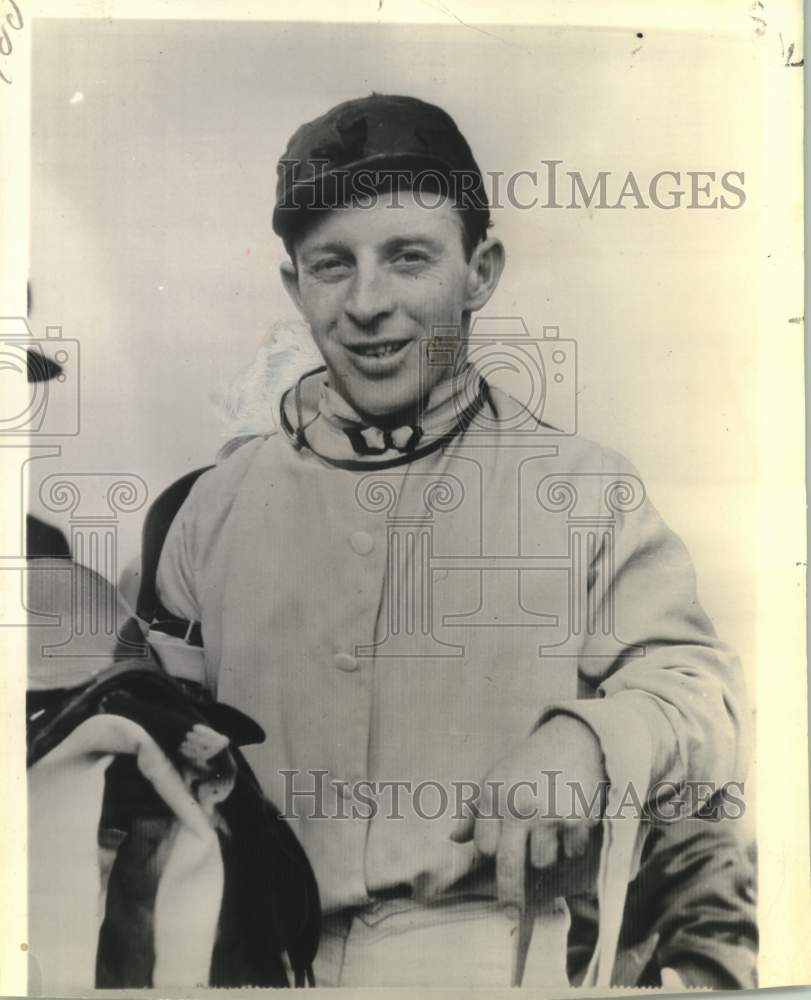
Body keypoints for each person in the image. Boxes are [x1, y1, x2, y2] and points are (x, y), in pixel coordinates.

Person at [154, 93, 750, 987]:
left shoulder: (586, 488)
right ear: (292, 287)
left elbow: (702, 697)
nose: (367, 303)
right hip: (249, 963)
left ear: (480, 271)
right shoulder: (215, 508)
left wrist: (587, 742)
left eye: (407, 258)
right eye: (331, 265)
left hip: (497, 963)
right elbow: (157, 750)